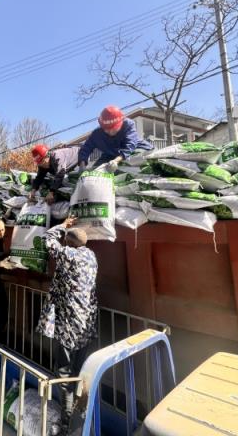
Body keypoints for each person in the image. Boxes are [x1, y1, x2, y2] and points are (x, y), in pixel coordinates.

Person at [36, 217, 98, 434]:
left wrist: (63, 225)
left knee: (64, 374)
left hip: (68, 325)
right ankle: (81, 419)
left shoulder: (67, 255)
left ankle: (67, 422)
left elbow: (47, 238)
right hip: (86, 325)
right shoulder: (91, 256)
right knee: (81, 372)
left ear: (69, 243)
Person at [77, 105, 153, 172]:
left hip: (136, 148)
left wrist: (116, 161)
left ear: (121, 123)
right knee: (96, 170)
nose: (110, 131)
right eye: (107, 129)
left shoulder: (128, 125)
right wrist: (82, 164)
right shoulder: (97, 134)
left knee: (135, 160)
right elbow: (85, 148)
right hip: (110, 155)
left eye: (113, 128)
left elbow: (130, 146)